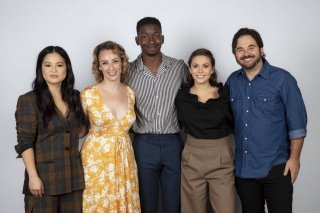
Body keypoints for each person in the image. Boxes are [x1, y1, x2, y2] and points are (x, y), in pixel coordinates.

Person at [226, 28, 308, 213]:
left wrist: (295, 159)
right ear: (235, 54)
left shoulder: (283, 79)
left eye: (251, 47)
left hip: (277, 168)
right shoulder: (232, 81)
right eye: (240, 49)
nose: (246, 53)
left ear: (261, 49)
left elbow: (297, 125)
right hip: (244, 170)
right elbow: (225, 120)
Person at [14, 46, 88, 212]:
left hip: (73, 178)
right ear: (41, 69)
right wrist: (33, 176)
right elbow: (25, 143)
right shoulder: (28, 100)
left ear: (67, 69)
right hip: (44, 179)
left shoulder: (76, 97)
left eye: (59, 65)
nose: (54, 70)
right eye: (48, 65)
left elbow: (80, 132)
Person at [127, 17, 189, 213]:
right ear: (137, 40)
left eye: (155, 35)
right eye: (144, 36)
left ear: (162, 38)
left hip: (173, 142)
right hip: (143, 143)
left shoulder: (179, 67)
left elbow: (194, 96)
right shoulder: (127, 71)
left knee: (174, 202)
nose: (151, 40)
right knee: (147, 201)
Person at [80, 41, 140, 212]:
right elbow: (80, 131)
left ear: (122, 62)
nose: (111, 67)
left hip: (125, 159)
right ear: (98, 67)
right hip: (96, 162)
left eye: (115, 61)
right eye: (104, 62)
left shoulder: (130, 93)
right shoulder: (88, 94)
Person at [175, 48, 236, 213]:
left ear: (212, 69)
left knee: (227, 209)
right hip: (192, 156)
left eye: (205, 66)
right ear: (189, 69)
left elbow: (235, 122)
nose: (200, 70)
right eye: (195, 66)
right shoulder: (182, 96)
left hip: (221, 156)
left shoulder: (225, 95)